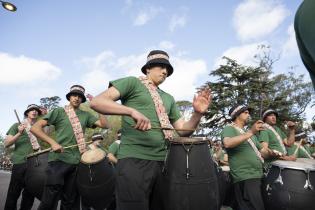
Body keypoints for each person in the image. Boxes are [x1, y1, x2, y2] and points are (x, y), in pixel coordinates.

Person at [90, 49, 213, 210]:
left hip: (165, 163)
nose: (165, 71)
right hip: (134, 161)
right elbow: (97, 102)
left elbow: (183, 130)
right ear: (148, 68)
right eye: (161, 66)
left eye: (168, 69)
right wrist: (131, 111)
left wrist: (197, 114)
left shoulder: (168, 98)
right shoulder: (132, 82)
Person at [31, 85, 108, 210]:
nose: (77, 98)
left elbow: (105, 124)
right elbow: (35, 128)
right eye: (74, 95)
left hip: (77, 161)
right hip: (59, 159)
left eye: (80, 96)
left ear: (82, 99)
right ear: (69, 97)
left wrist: (97, 106)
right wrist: (53, 143)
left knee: (70, 200)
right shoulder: (59, 111)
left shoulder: (86, 115)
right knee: (50, 198)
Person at [221, 104, 269, 210]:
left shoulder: (250, 135)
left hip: (258, 175)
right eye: (245, 112)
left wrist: (272, 152)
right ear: (237, 115)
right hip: (245, 176)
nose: (249, 115)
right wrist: (251, 132)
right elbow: (227, 143)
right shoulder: (229, 128)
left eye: (249, 113)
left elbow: (263, 152)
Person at [4, 104, 42, 210]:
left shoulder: (39, 127)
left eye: (36, 110)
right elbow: (6, 143)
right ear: (27, 113)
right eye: (31, 110)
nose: (34, 111)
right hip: (20, 162)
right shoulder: (17, 125)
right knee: (14, 192)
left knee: (30, 194)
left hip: (35, 164)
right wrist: (19, 133)